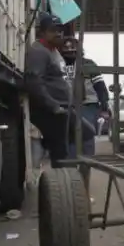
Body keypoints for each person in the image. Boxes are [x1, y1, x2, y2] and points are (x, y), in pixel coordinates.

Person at [24, 13, 94, 167]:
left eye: (60, 30)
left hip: (64, 108)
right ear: (42, 32)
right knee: (62, 153)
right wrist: (53, 105)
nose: (58, 34)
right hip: (53, 111)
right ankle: (65, 179)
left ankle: (73, 171)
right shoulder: (39, 51)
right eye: (53, 30)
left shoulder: (54, 51)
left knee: (86, 133)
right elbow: (34, 82)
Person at [61, 38, 110, 158]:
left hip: (88, 104)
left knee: (86, 132)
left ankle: (86, 163)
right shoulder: (59, 65)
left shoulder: (88, 64)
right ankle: (73, 165)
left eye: (72, 48)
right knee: (71, 135)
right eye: (66, 49)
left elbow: (100, 87)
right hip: (68, 106)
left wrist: (104, 107)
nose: (69, 51)